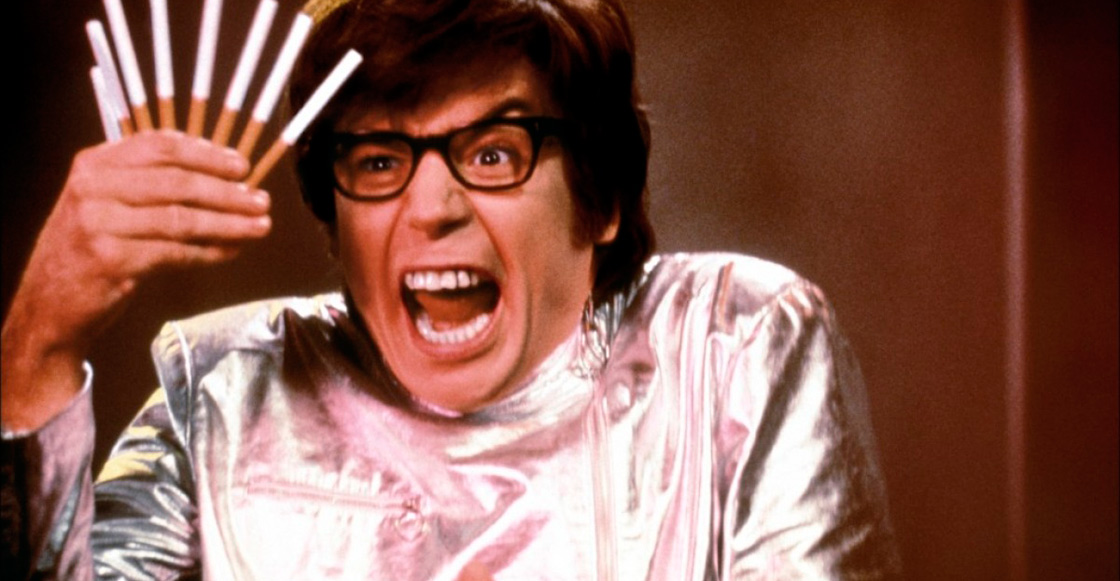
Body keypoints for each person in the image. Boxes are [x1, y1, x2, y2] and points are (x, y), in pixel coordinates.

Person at [1, 0, 901, 578]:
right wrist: (34, 347)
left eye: (494, 153)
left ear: (600, 199)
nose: (431, 207)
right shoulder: (221, 393)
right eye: (379, 159)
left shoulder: (733, 346)